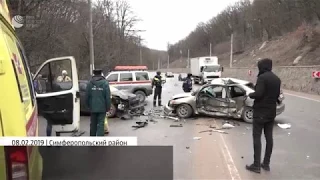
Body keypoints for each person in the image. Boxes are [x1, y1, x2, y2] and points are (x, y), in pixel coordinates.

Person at [245, 58, 281, 173]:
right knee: (269, 138)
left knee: (257, 137)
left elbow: (259, 94)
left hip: (260, 112)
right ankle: (266, 164)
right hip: (271, 113)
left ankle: (256, 165)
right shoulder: (277, 79)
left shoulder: (262, 78)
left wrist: (250, 94)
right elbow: (276, 96)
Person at [86, 69, 111, 136]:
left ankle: (92, 138)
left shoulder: (89, 83)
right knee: (101, 123)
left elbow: (87, 96)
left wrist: (88, 106)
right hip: (102, 108)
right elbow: (107, 97)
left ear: (94, 74)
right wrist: (108, 107)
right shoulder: (105, 83)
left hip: (93, 107)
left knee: (93, 123)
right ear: (101, 73)